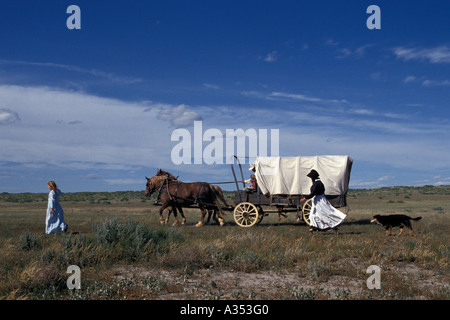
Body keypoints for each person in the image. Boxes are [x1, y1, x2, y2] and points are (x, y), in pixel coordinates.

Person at [300, 169, 346, 234]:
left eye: (311, 178)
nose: (310, 179)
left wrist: (305, 198)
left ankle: (334, 227)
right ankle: (311, 230)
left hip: (319, 201)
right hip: (317, 200)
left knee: (323, 214)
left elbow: (313, 193)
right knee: (313, 215)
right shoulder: (318, 183)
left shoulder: (317, 183)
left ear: (313, 177)